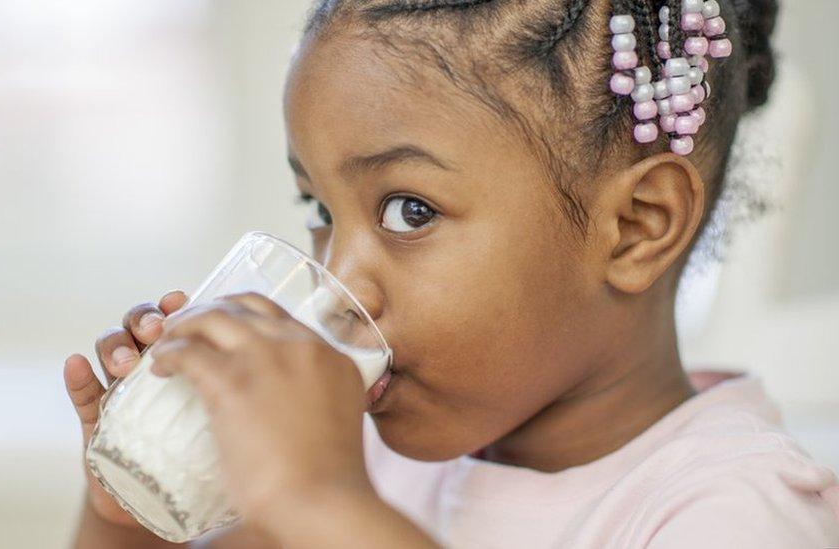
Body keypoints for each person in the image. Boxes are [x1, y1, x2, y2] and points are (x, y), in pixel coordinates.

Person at [63, 0, 839, 547]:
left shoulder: (735, 513)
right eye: (319, 205)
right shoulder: (366, 452)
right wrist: (133, 517)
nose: (340, 280)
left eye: (409, 211)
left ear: (638, 227)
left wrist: (325, 503)